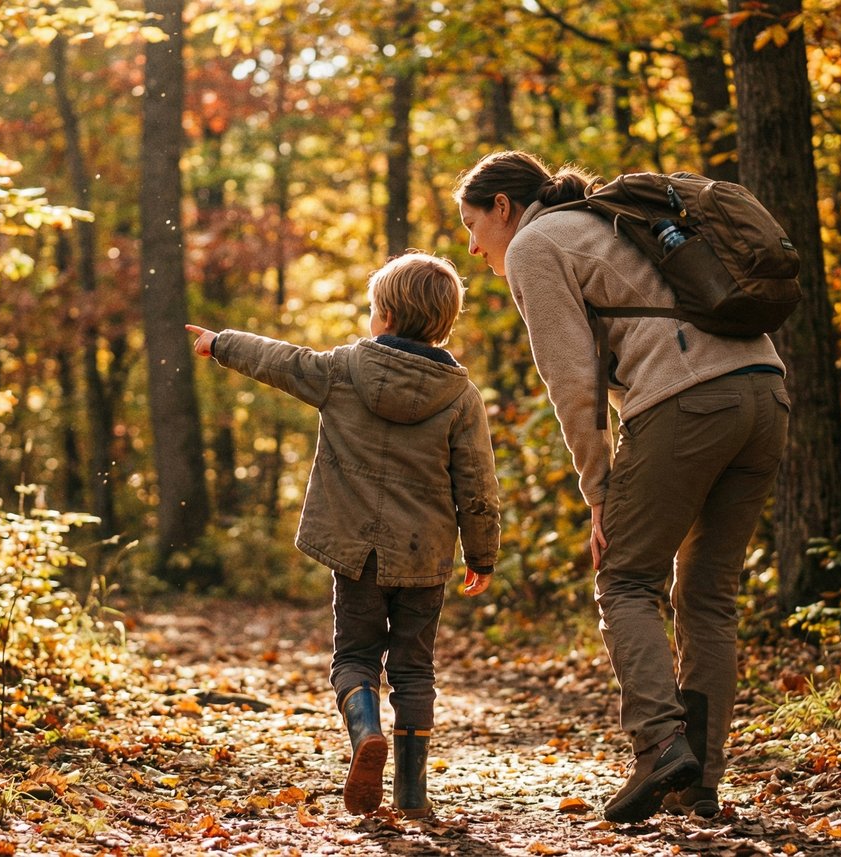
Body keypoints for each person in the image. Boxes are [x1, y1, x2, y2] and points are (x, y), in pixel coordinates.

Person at [453, 151, 789, 823]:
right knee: (709, 595)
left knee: (625, 579)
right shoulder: (609, 220)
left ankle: (662, 745)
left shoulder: (537, 243)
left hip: (686, 401)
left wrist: (598, 492)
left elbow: (571, 381)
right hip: (766, 390)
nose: (471, 245)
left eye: (470, 223)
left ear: (502, 208)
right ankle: (700, 783)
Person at [186, 251, 501, 818]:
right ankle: (411, 795)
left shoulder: (343, 371)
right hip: (423, 557)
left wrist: (220, 342)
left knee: (354, 655)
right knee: (413, 668)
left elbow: (281, 360)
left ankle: (365, 735)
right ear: (444, 323)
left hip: (356, 553)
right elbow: (477, 484)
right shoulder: (460, 396)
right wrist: (483, 552)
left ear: (382, 315)